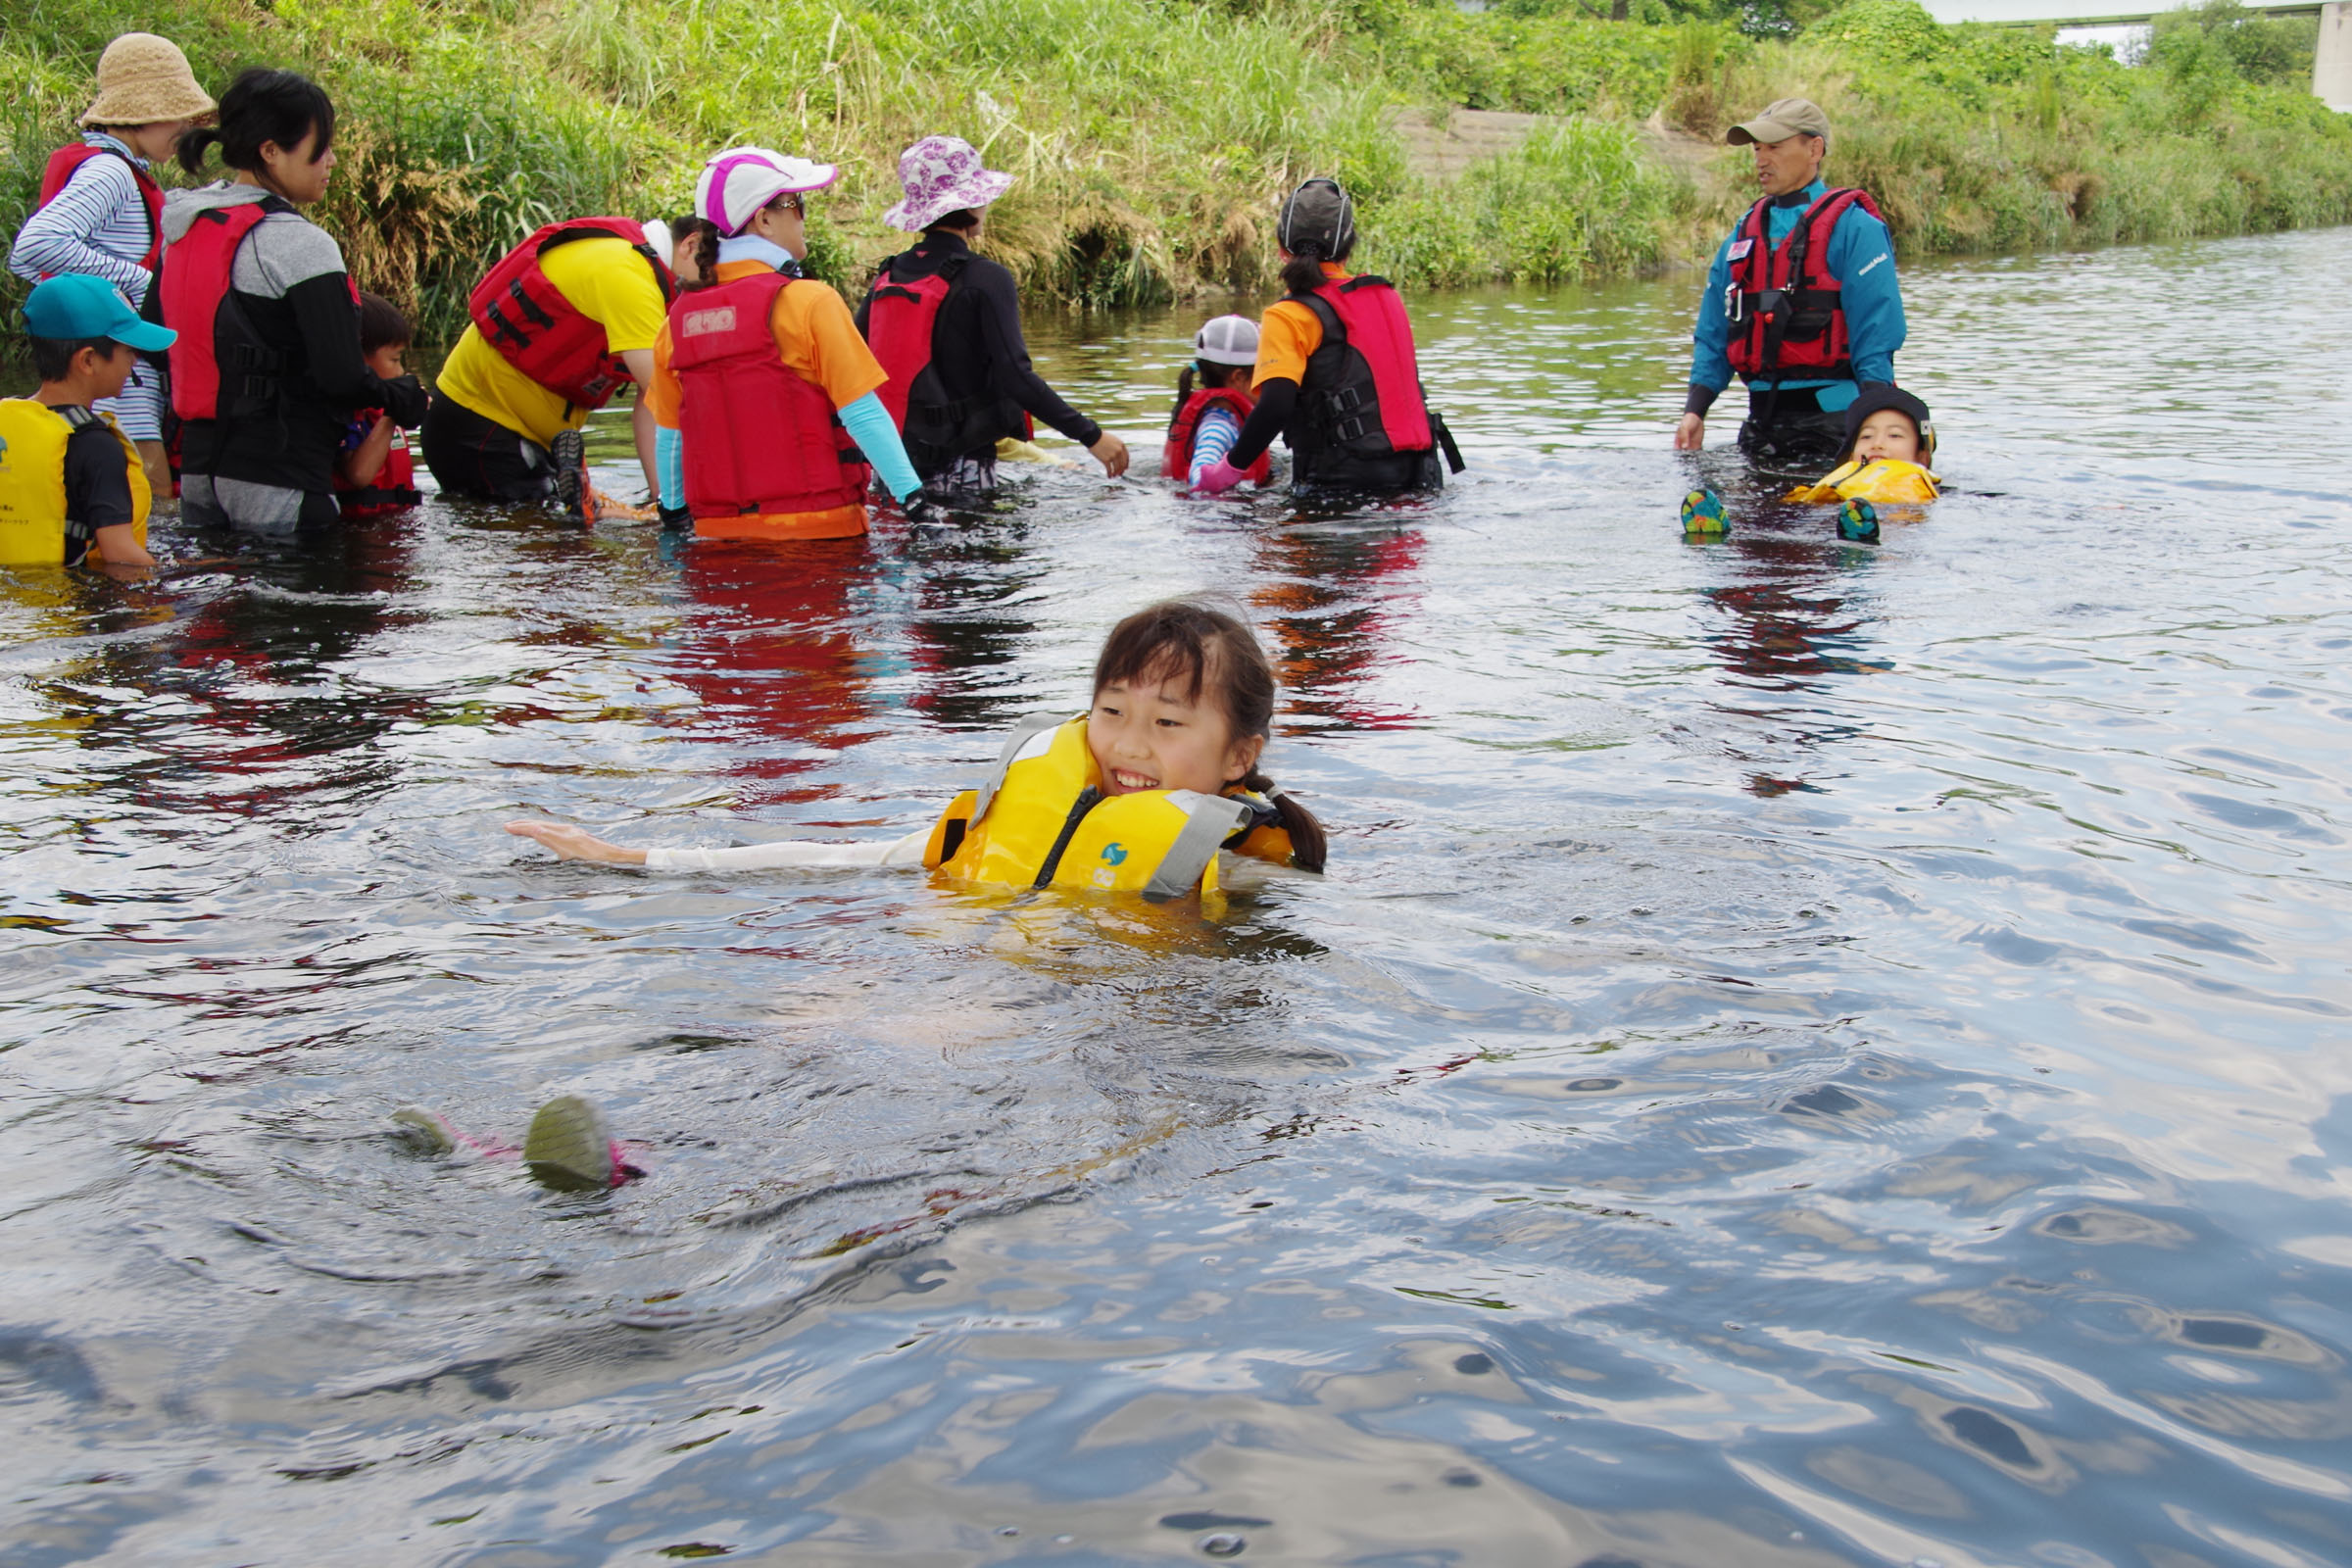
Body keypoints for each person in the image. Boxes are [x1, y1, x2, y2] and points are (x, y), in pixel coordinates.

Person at [507, 596, 1329, 895]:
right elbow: (841, 859)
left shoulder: (1238, 870)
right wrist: (636, 860)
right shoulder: (1020, 812)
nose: (1128, 746)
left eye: (1169, 723)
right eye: (1111, 712)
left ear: (1236, 758)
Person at [145, 69, 428, 533]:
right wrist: (400, 396)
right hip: (282, 481)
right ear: (271, 151)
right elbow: (341, 377)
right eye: (321, 149)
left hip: (198, 478)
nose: (332, 161)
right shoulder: (301, 244)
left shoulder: (182, 227)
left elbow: (156, 344)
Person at [644, 146, 922, 542]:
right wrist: (916, 503)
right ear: (764, 219)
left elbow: (670, 437)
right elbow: (863, 415)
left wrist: (672, 517)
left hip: (717, 543)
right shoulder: (811, 302)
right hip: (822, 537)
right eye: (797, 204)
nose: (803, 216)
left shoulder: (675, 325)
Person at [855, 135, 1128, 498]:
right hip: (962, 468)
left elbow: (853, 366)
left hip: (896, 469)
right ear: (973, 201)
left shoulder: (888, 276)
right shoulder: (985, 277)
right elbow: (1016, 376)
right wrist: (1091, 435)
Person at [10, 33, 215, 505]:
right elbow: (36, 245)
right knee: (153, 495)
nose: (186, 126)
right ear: (144, 114)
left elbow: (26, 257)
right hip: (121, 377)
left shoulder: (116, 167)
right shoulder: (112, 172)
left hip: (108, 371)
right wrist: (146, 284)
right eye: (179, 113)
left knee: (121, 502)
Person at [1674, 97, 1906, 471]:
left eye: (1775, 148)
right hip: (1760, 430)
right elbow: (1714, 329)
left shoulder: (1856, 227)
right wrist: (1695, 411)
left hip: (1833, 428)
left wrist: (1877, 426)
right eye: (1757, 149)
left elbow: (1876, 331)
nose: (1761, 159)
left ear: (1814, 148)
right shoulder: (1743, 233)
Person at [1194, 178, 1459, 500]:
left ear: (1281, 249)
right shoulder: (1388, 298)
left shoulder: (1287, 315)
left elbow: (1275, 407)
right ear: (1348, 251)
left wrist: (1225, 472)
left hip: (1341, 483)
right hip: (1422, 477)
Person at [423, 203, 676, 521]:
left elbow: (651, 397)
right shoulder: (631, 278)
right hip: (481, 432)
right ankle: (600, 510)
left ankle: (602, 507)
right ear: (691, 245)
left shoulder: (630, 256)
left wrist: (664, 499)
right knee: (556, 538)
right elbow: (666, 393)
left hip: (505, 433)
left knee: (564, 518)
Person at [0, 273, 173, 569]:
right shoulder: (97, 446)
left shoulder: (8, 421)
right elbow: (120, 556)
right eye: (129, 351)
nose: (134, 362)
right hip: (68, 609)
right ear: (88, 360)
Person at [330, 293, 424, 516]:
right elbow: (359, 475)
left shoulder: (375, 410)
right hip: (360, 536)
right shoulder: (347, 412)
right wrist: (393, 414)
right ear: (360, 361)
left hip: (393, 524)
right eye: (394, 359)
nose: (400, 371)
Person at [1782, 385, 1938, 506]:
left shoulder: (1922, 495)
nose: (1877, 444)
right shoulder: (1833, 485)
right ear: (1850, 456)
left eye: (1895, 435)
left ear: (1922, 457)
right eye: (1867, 436)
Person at [1164, 315, 1269, 489]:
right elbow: (1199, 480)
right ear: (1239, 377)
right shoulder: (1218, 428)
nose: (1269, 382)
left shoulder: (1227, 420)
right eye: (1264, 373)